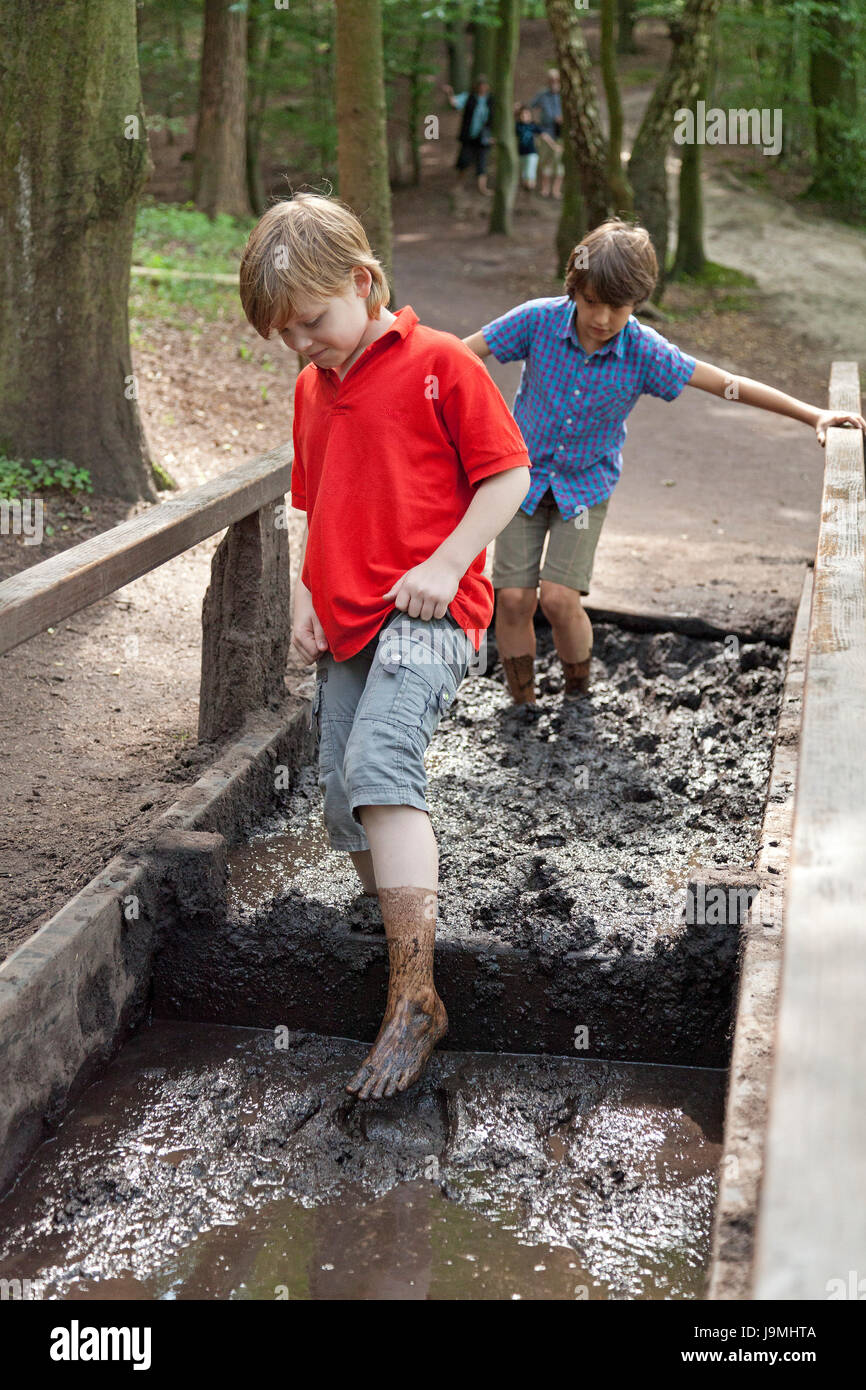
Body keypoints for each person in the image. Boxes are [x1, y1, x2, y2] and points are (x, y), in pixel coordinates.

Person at [239, 193, 531, 1100]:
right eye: (284, 333)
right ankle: (401, 935)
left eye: (312, 321)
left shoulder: (441, 364)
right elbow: (311, 501)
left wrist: (448, 563)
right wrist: (303, 596)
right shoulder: (310, 388)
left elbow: (509, 473)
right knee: (337, 797)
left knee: (377, 763)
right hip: (351, 619)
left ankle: (415, 995)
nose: (301, 344)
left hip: (434, 614)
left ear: (363, 284)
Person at [461, 218, 866, 709]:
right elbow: (461, 356)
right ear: (574, 288)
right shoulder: (537, 321)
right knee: (515, 599)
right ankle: (521, 703)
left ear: (638, 302)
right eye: (592, 302)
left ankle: (578, 696)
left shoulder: (645, 352)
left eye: (619, 306)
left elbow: (726, 383)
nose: (603, 318)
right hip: (516, 484)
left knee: (559, 600)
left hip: (583, 491)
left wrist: (813, 414)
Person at [442, 76, 495, 196]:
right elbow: (455, 104)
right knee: (464, 160)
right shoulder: (469, 97)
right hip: (469, 135)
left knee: (482, 161)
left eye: (484, 85)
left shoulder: (491, 100)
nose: (482, 88)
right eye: (480, 85)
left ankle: (482, 188)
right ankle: (459, 185)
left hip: (484, 136)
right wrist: (450, 93)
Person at [530, 68, 564, 199]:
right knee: (546, 160)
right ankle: (545, 188)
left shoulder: (564, 94)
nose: (554, 82)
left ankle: (556, 190)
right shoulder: (542, 94)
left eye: (556, 80)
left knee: (559, 160)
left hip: (561, 132)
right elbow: (531, 106)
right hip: (546, 131)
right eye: (551, 80)